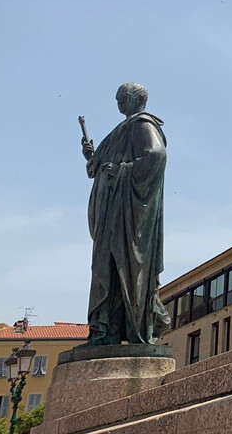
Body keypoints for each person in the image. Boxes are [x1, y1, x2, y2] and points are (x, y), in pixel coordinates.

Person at [82, 83, 170, 345]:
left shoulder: (142, 124)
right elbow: (97, 169)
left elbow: (155, 156)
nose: (118, 102)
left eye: (122, 98)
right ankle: (106, 330)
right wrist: (93, 157)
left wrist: (119, 171)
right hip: (113, 212)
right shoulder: (123, 129)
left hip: (127, 216)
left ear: (135, 99)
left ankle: (119, 328)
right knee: (106, 268)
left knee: (119, 266)